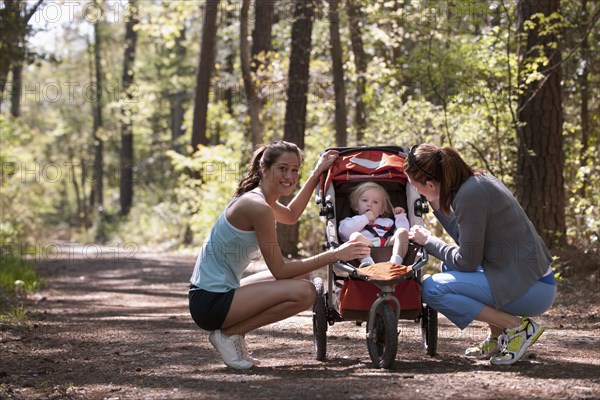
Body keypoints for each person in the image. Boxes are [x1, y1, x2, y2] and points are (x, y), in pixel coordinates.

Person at [188, 141, 371, 369]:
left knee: (303, 279)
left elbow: (292, 215)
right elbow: (280, 270)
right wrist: (334, 254)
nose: (290, 176)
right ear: (264, 169)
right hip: (210, 302)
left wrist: (316, 173)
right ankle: (230, 333)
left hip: (215, 294)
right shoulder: (257, 206)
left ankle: (231, 335)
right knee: (307, 292)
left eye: (295, 170)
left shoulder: (259, 199)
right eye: (282, 169)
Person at [404, 143, 556, 365]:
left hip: (532, 289)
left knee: (431, 288)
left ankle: (516, 327)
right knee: (449, 267)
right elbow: (469, 243)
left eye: (415, 186)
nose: (416, 192)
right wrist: (436, 204)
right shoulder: (476, 182)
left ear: (430, 183)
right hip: (530, 279)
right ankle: (498, 337)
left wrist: (429, 241)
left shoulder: (469, 196)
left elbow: (466, 262)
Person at [338, 182, 410, 267]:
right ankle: (368, 263)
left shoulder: (388, 222)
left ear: (382, 210)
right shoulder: (351, 221)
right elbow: (344, 232)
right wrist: (365, 218)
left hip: (388, 245)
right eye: (364, 200)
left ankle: (396, 262)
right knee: (355, 236)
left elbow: (405, 234)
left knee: (402, 232)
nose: (369, 204)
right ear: (356, 206)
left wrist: (400, 217)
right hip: (367, 246)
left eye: (375, 202)